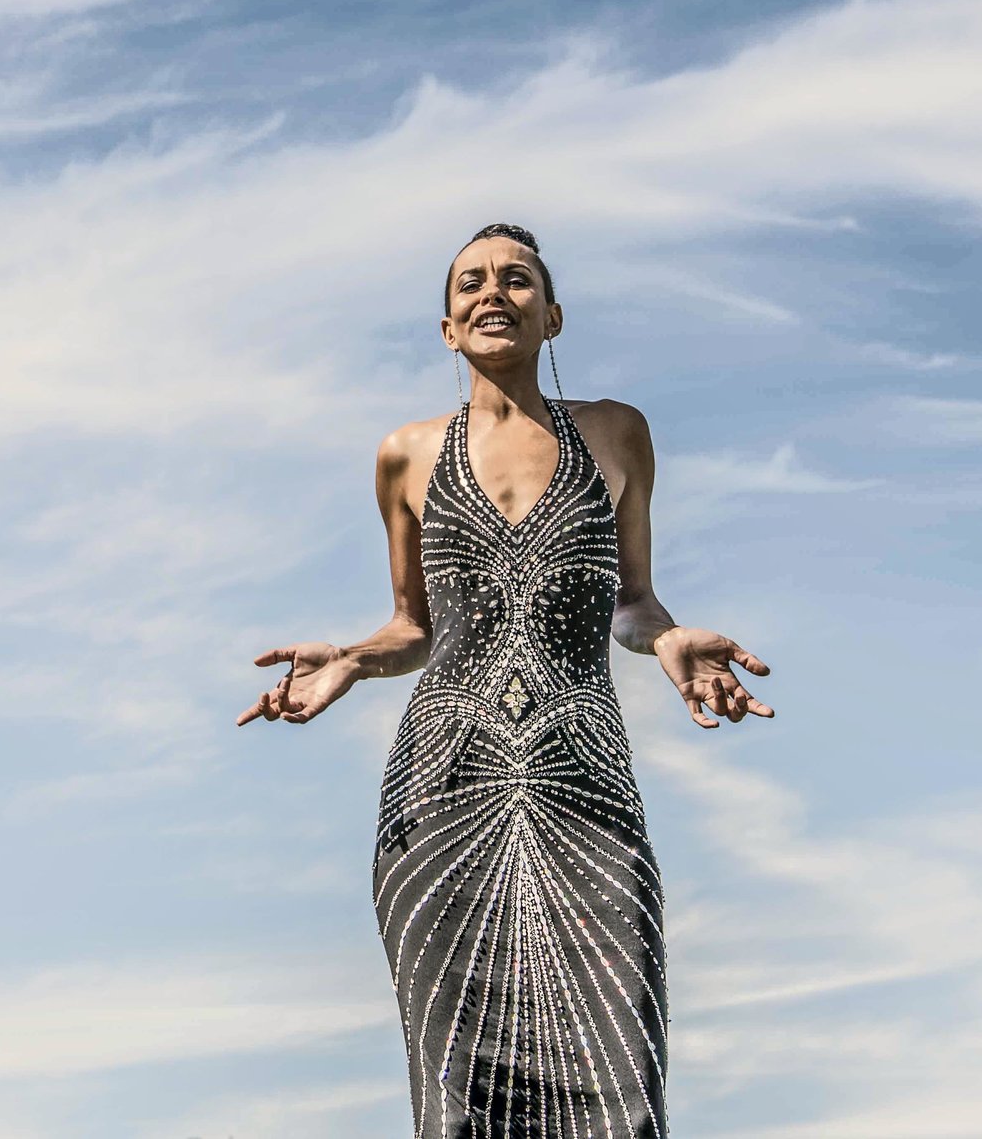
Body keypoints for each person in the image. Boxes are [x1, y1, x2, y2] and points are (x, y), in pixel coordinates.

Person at [236, 222, 774, 1138]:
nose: (494, 292)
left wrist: (672, 637)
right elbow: (412, 625)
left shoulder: (616, 433)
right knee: (461, 1105)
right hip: (444, 793)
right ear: (447, 327)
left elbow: (633, 603)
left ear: (551, 315)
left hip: (585, 785)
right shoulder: (405, 453)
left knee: (623, 1093)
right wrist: (353, 661)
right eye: (471, 283)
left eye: (517, 279)